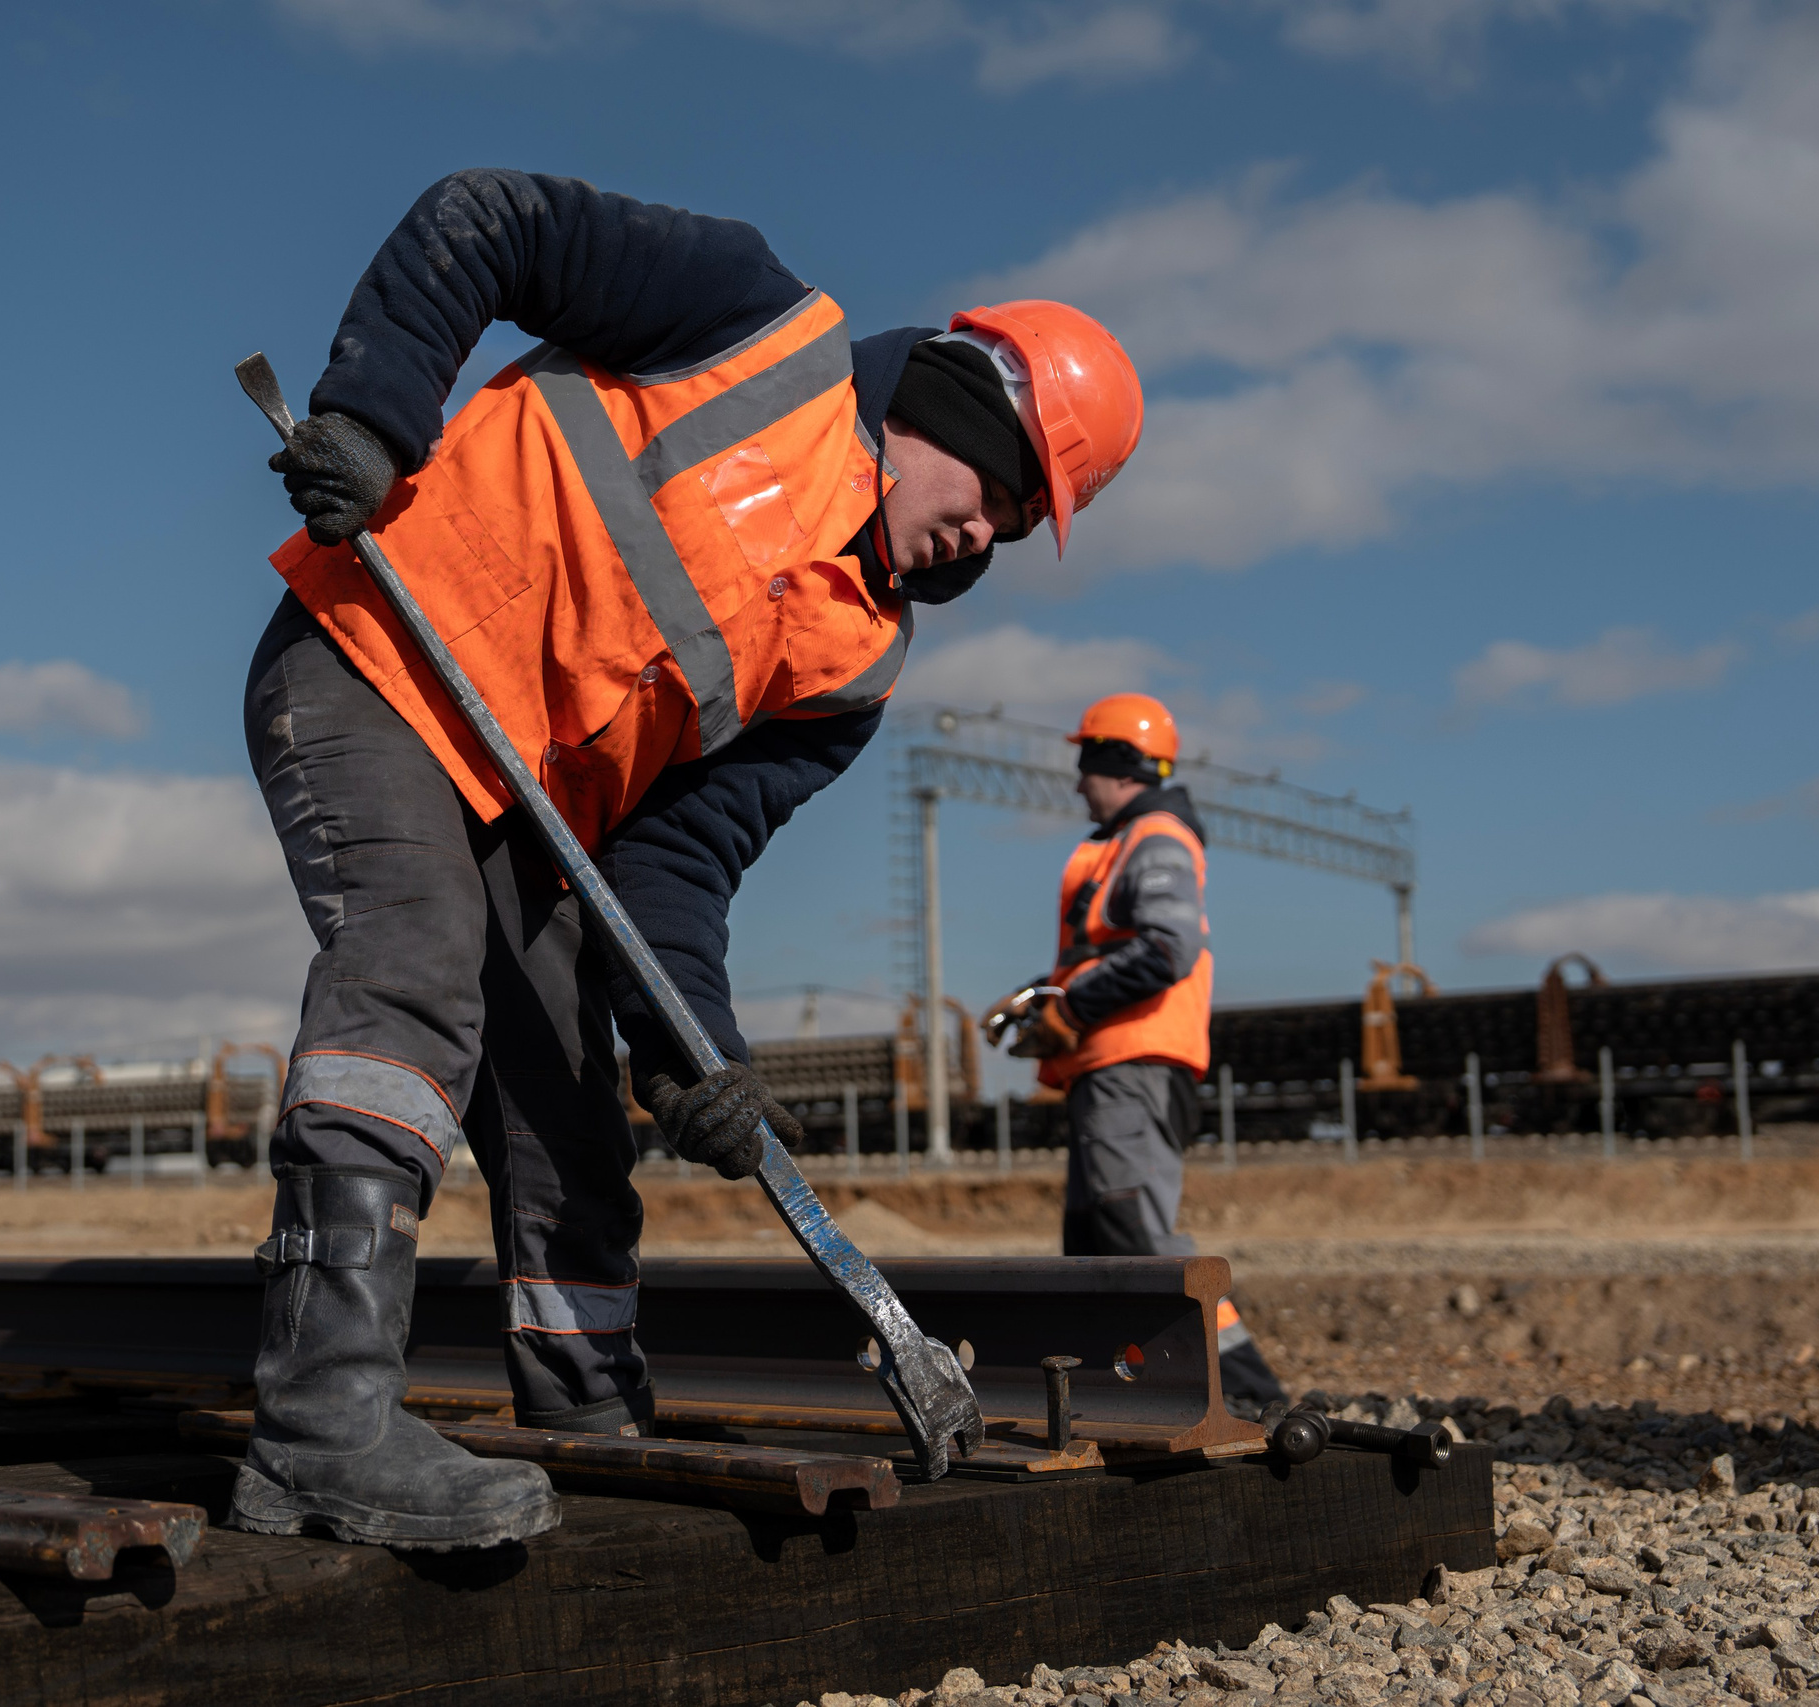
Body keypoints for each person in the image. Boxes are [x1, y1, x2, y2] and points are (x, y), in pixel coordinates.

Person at [236, 169, 1146, 1549]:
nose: (993, 532)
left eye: (1020, 527)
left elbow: (674, 866)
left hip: (515, 803)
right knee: (412, 968)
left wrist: (693, 1051)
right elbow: (492, 220)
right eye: (1004, 490)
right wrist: (374, 418)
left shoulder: (857, 665)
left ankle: (591, 1419)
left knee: (571, 1121)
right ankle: (319, 1429)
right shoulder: (751, 323)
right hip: (375, 661)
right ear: (955, 405)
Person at [983, 693, 1286, 1410]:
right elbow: (1116, 949)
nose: (1076, 784)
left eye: (1084, 766)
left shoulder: (1155, 837)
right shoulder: (1129, 841)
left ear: (1118, 762)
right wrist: (1049, 996)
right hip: (1113, 1066)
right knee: (1095, 1243)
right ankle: (1120, 1400)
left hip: (1134, 1065)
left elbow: (1168, 948)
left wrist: (1071, 1007)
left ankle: (1250, 1396)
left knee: (1136, 1236)